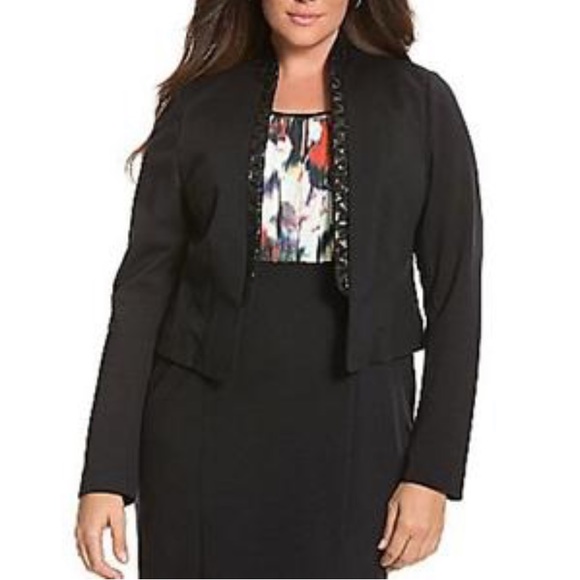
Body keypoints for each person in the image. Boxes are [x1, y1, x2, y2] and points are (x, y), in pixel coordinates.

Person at [74, 1, 483, 578]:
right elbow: (143, 293)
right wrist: (106, 475)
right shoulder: (197, 106)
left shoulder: (420, 103)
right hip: (197, 437)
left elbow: (456, 296)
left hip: (355, 435)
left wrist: (432, 473)